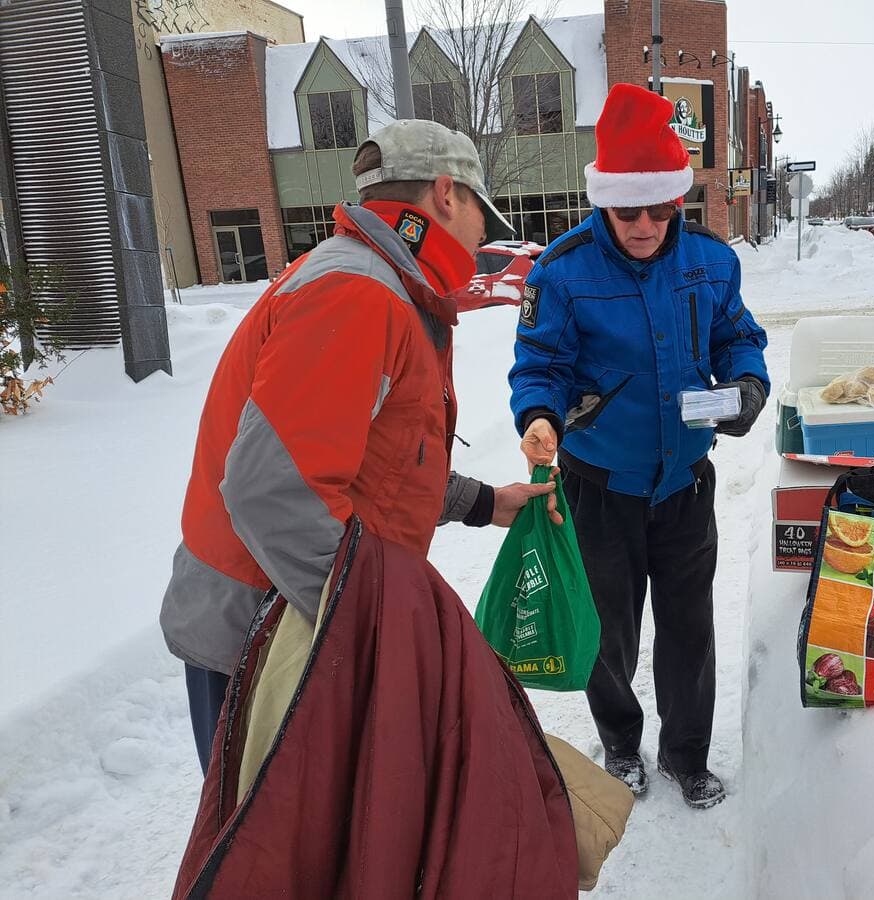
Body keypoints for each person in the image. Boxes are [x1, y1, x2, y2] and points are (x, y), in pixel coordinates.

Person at [160, 118, 558, 773]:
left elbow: (380, 468)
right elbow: (274, 494)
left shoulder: (383, 286)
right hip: (264, 643)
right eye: (479, 211)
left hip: (293, 620)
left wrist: (488, 503)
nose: (485, 234)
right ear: (444, 195)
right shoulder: (358, 293)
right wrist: (377, 627)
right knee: (282, 869)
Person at [509, 83, 770, 810]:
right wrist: (538, 415)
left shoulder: (713, 263)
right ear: (604, 202)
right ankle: (621, 743)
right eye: (630, 211)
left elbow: (737, 339)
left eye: (663, 208)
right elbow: (540, 367)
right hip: (599, 489)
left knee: (689, 630)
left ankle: (687, 755)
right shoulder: (562, 272)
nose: (648, 224)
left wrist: (746, 386)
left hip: (684, 486)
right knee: (608, 632)